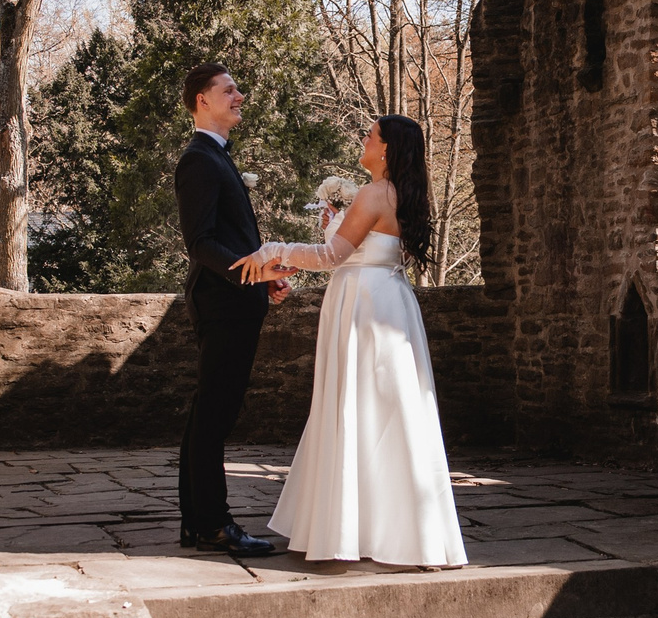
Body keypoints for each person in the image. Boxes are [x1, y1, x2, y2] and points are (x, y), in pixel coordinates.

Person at [237, 116, 468, 569]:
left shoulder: (374, 193)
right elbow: (358, 246)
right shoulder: (395, 193)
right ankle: (394, 529)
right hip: (384, 298)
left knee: (360, 407)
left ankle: (355, 528)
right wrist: (333, 223)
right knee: (384, 409)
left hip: (365, 306)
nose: (363, 140)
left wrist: (274, 250)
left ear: (385, 150)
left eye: (370, 135)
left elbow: (330, 258)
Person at [173, 63, 287, 554]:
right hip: (220, 305)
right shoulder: (199, 159)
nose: (240, 95)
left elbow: (231, 241)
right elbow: (200, 243)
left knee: (210, 414)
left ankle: (199, 523)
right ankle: (214, 524)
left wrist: (263, 281)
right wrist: (254, 273)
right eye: (229, 89)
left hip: (235, 300)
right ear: (203, 99)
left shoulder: (217, 157)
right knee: (214, 416)